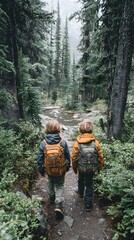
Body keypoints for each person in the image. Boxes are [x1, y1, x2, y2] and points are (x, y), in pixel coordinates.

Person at [37, 119, 70, 218]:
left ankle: (52, 198)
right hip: (60, 170)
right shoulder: (62, 142)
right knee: (59, 185)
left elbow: (40, 158)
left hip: (49, 170)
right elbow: (67, 156)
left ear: (46, 129)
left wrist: (41, 170)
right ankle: (58, 203)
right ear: (58, 128)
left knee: (50, 182)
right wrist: (67, 167)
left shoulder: (43, 143)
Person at [71, 119, 104, 212]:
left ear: (81, 129)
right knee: (89, 184)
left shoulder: (78, 142)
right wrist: (99, 168)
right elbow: (100, 156)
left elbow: (73, 157)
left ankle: (81, 193)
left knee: (81, 179)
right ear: (91, 129)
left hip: (81, 167)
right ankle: (88, 205)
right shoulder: (96, 142)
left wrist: (75, 168)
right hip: (92, 168)